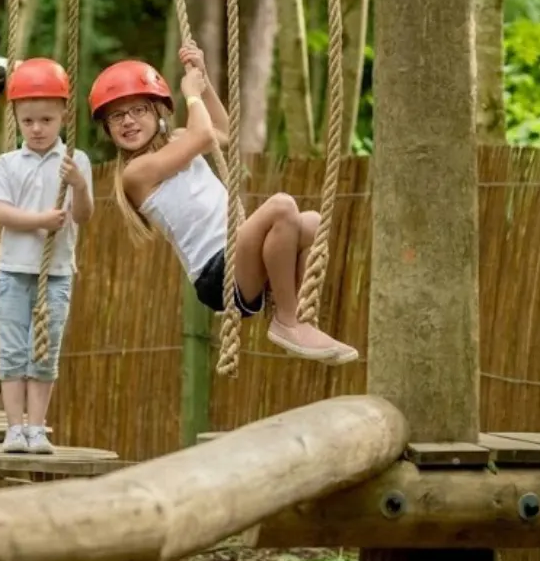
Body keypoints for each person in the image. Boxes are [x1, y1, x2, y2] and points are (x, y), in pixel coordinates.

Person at [89, 44, 357, 364]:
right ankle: (288, 321)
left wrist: (204, 82)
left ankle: (292, 310)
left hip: (239, 255)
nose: (128, 121)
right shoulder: (136, 173)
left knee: (312, 222)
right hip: (217, 274)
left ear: (158, 112)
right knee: (282, 206)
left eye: (138, 110)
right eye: (117, 116)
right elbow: (203, 135)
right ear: (107, 129)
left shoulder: (177, 141)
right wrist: (191, 94)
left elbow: (223, 132)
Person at [0, 57, 93, 453]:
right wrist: (40, 220)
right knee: (13, 350)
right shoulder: (8, 163)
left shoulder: (74, 161)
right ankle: (13, 428)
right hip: (14, 272)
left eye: (46, 121)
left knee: (45, 351)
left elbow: (83, 216)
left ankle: (37, 427)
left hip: (57, 273)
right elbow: (0, 211)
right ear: (15, 115)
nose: (36, 129)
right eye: (29, 120)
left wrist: (79, 186)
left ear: (63, 116)